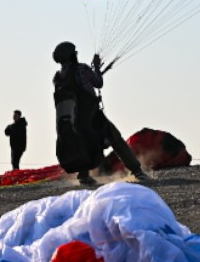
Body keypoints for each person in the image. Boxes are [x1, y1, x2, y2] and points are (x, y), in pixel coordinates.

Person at [51, 41, 147, 185]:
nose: (77, 54)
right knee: (115, 137)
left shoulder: (58, 78)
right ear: (71, 55)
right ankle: (137, 171)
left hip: (74, 120)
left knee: (84, 142)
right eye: (75, 53)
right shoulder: (82, 69)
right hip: (92, 115)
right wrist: (96, 66)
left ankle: (83, 176)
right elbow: (98, 82)